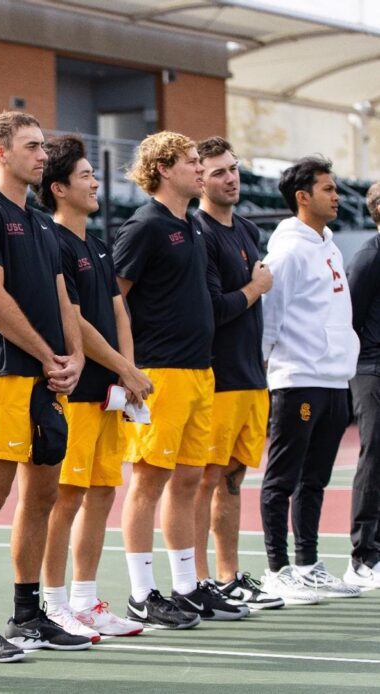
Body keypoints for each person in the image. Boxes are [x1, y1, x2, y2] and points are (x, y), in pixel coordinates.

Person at [0, 111, 90, 661]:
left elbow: (63, 298)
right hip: (1, 375)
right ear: (0, 152)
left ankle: (29, 615)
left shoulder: (40, 225)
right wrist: (48, 353)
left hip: (47, 380)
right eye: (31, 146)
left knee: (43, 496)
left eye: (43, 146)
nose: (41, 155)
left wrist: (75, 356)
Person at [112, 130, 244, 627]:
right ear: (164, 168)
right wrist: (128, 365)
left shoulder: (190, 226)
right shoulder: (144, 226)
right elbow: (114, 297)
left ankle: (187, 587)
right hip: (160, 373)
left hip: (199, 372)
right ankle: (141, 593)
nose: (199, 168)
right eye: (191, 162)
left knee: (189, 480)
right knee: (148, 481)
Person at [36, 135, 151, 639]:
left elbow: (118, 308)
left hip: (110, 393)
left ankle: (86, 599)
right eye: (85, 175)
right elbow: (74, 321)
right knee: (68, 497)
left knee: (102, 491)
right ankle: (54, 601)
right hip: (77, 393)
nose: (94, 181)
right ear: (59, 187)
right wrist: (123, 369)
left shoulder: (98, 243)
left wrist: (128, 370)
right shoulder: (53, 241)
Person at [259, 156, 362, 601]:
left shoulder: (331, 246)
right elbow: (270, 316)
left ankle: (307, 563)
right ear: (303, 198)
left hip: (334, 379)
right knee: (283, 477)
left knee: (315, 479)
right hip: (297, 378)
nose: (336, 196)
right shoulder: (288, 250)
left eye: (337, 188)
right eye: (327, 189)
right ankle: (277, 569)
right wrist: (264, 372)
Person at [191, 137, 283, 610]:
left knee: (232, 479)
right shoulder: (197, 233)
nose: (231, 178)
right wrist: (255, 287)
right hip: (217, 379)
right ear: (198, 178)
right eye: (218, 172)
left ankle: (229, 577)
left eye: (233, 169)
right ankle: (199, 580)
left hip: (251, 378)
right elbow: (212, 310)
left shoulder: (246, 229)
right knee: (203, 481)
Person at [344, 182, 380, 590]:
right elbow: (348, 316)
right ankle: (363, 556)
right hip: (371, 369)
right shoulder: (370, 256)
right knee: (374, 458)